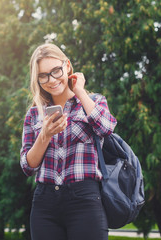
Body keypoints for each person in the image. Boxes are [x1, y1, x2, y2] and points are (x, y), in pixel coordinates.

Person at [20, 43, 117, 240]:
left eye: (56, 71)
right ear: (37, 79)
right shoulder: (34, 114)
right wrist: (44, 135)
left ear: (67, 66)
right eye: (43, 75)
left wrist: (80, 92)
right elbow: (27, 166)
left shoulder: (94, 101)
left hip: (85, 199)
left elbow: (106, 128)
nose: (52, 80)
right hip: (45, 204)